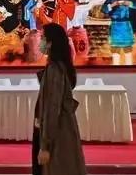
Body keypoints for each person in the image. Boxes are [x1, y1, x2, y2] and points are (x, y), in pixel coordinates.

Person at [33, 24, 85, 175]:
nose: (40, 42)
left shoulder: (54, 70)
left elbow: (52, 107)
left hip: (58, 136)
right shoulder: (60, 67)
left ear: (50, 43)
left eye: (43, 38)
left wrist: (45, 146)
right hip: (62, 131)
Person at [101, 0, 136, 66]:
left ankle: (129, 67)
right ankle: (116, 67)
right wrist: (112, 5)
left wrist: (130, 4)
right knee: (115, 49)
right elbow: (103, 9)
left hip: (126, 25)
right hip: (115, 26)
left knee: (128, 49)